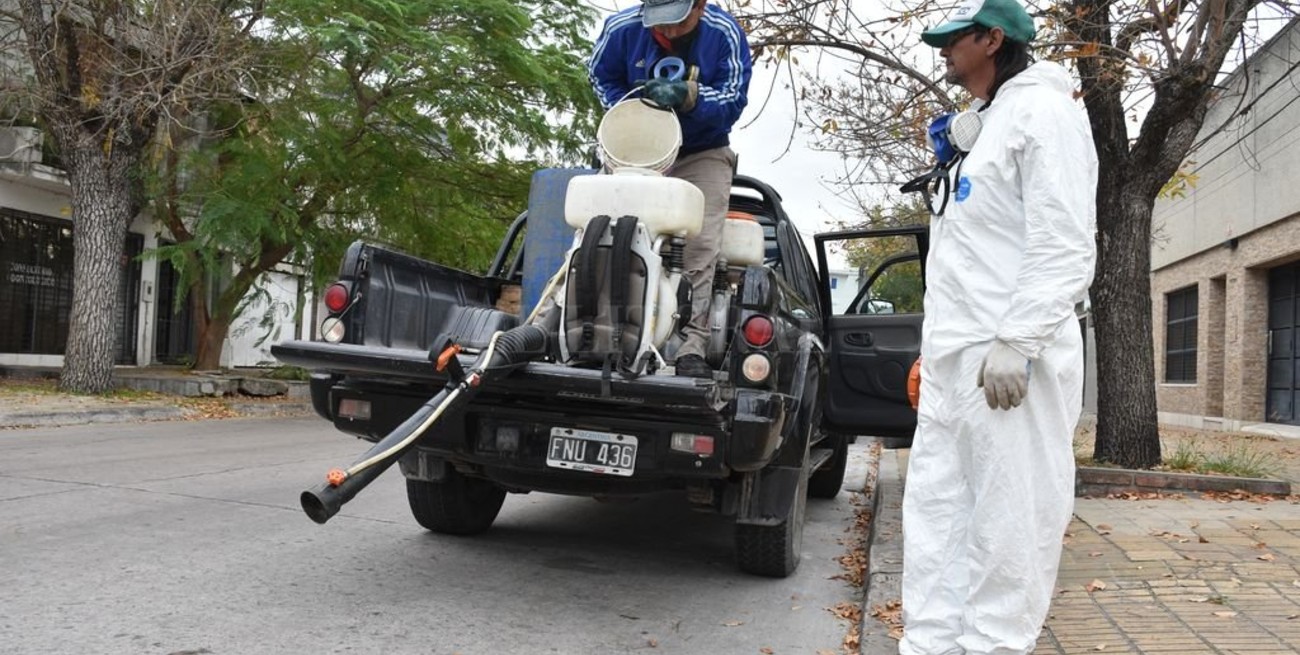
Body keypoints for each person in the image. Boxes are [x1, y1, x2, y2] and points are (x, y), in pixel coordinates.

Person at [900, 0, 1097, 653]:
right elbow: (967, 259)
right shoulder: (984, 125)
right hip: (959, 361)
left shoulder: (1044, 113)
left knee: (1009, 522)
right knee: (936, 516)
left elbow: (1064, 242)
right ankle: (929, 644)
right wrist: (937, 352)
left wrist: (1019, 337)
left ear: (992, 38)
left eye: (955, 39)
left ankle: (992, 647)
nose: (944, 51)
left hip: (1011, 360)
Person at [588, 0, 752, 378]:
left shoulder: (724, 33)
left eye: (676, 22)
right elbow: (600, 75)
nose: (668, 31)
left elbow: (733, 98)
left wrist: (689, 96)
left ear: (699, 6)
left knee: (699, 245)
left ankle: (691, 348)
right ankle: (593, 331)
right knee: (602, 229)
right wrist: (631, 106)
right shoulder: (621, 28)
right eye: (660, 22)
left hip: (702, 149)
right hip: (635, 146)